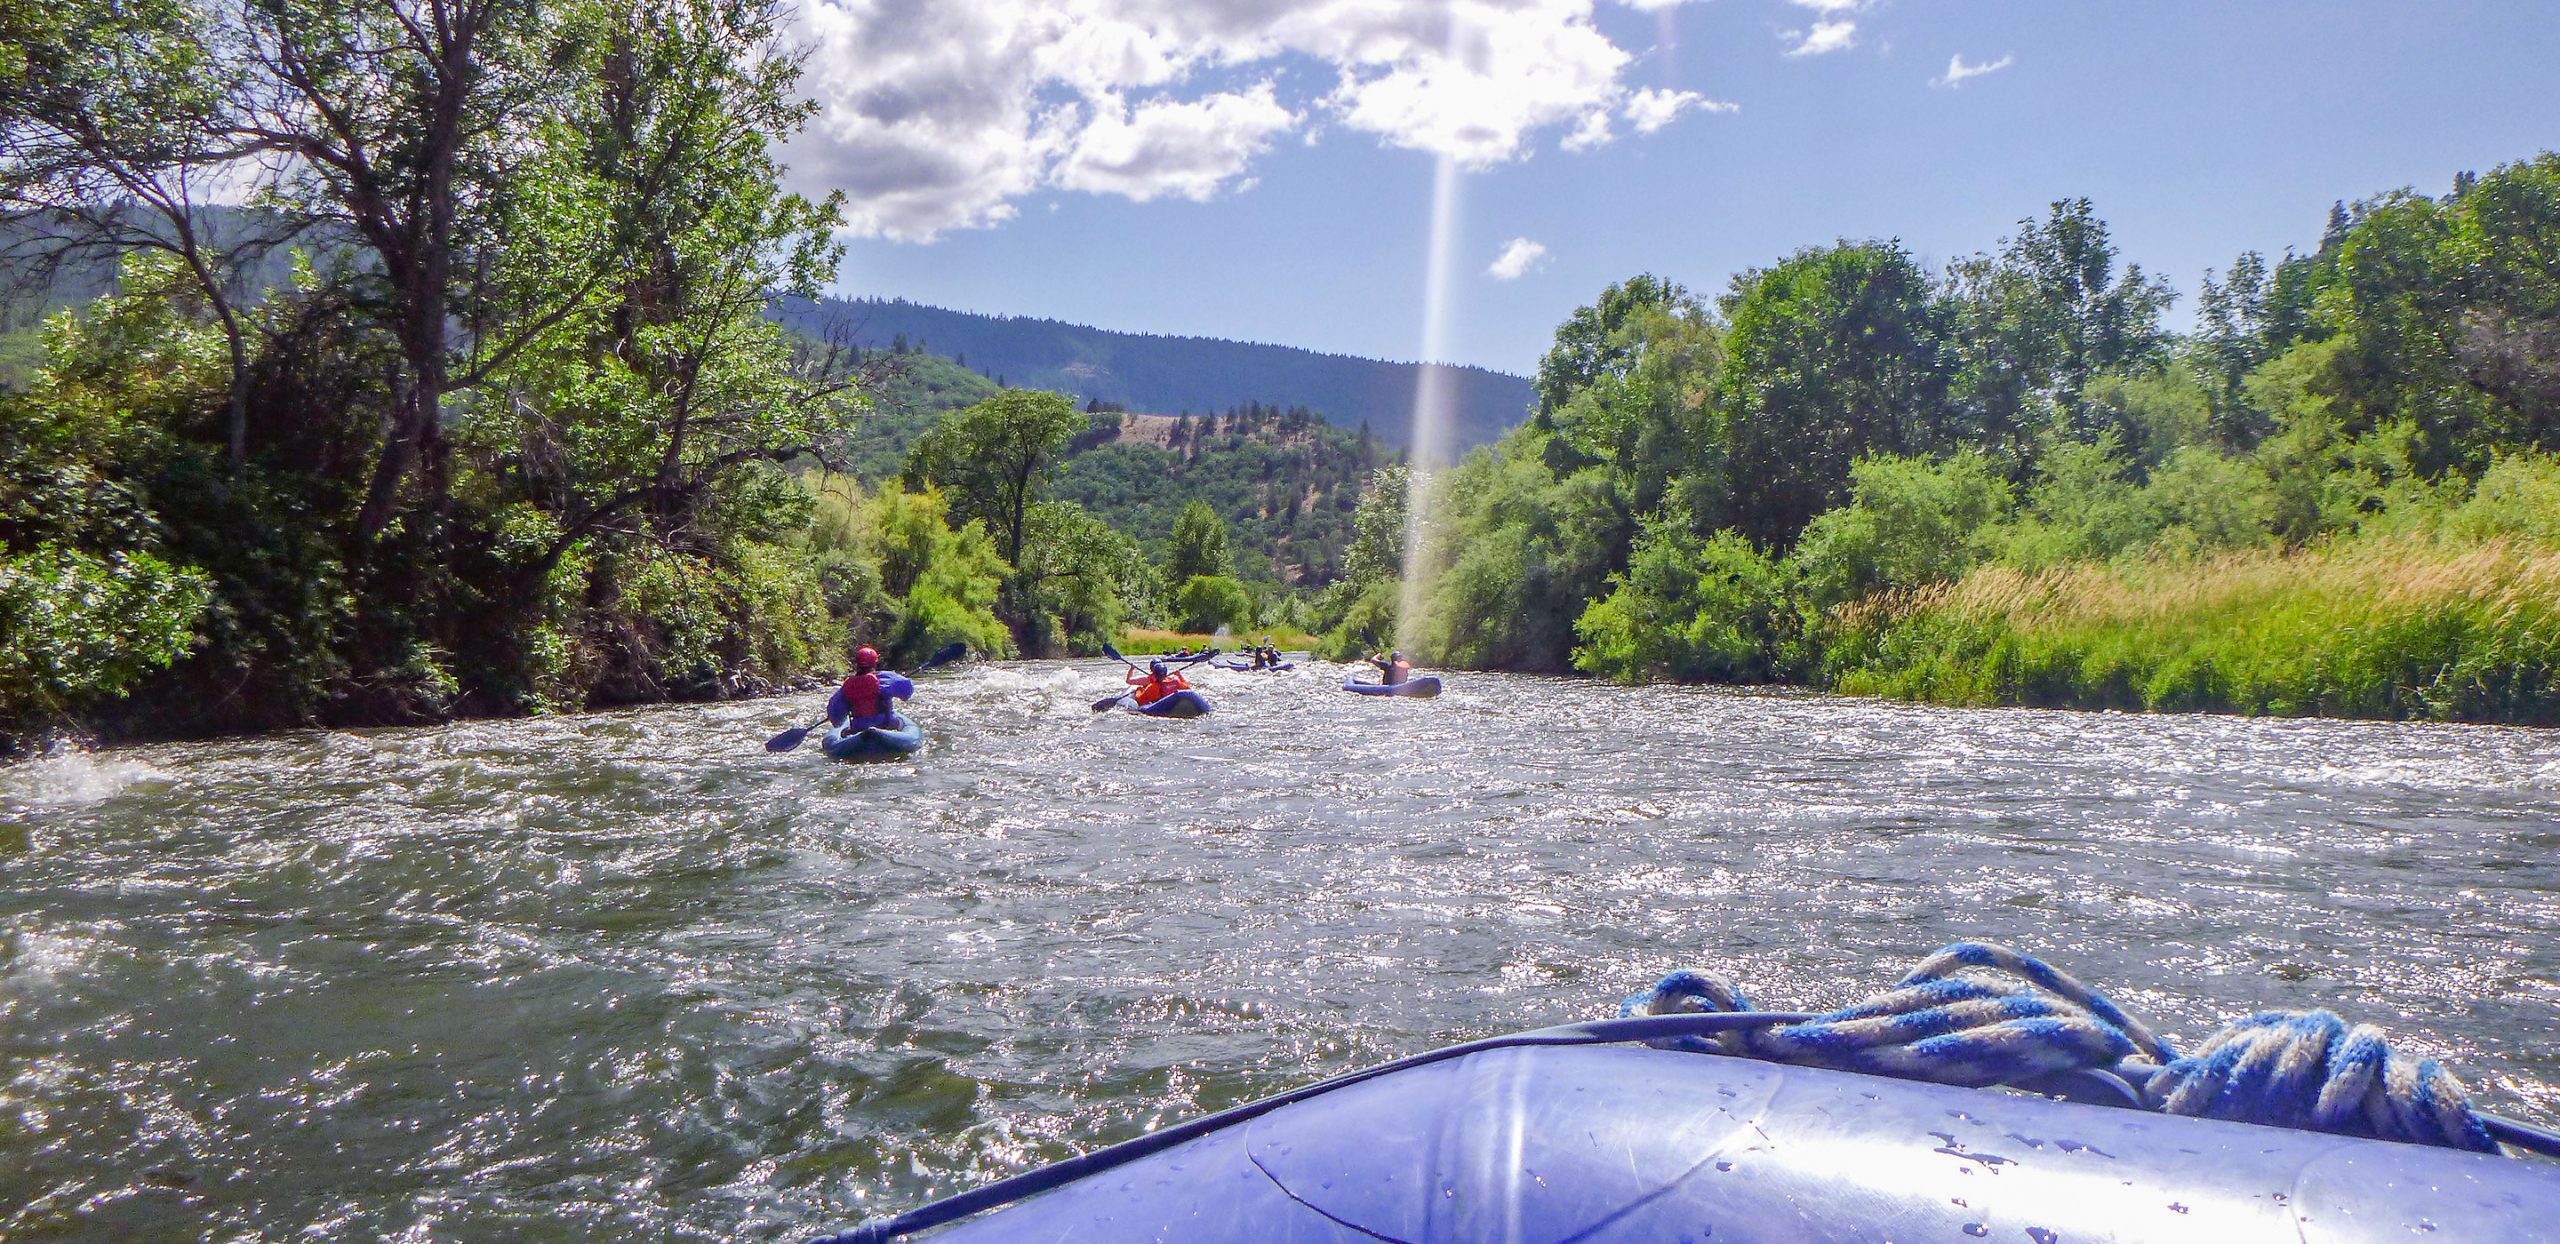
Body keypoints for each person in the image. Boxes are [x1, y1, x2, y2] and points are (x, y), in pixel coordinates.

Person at [828, 646, 914, 730]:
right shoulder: (885, 678)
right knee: (900, 722)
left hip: (858, 728)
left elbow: (835, 718)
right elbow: (907, 691)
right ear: (874, 663)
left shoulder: (847, 686)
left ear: (857, 664)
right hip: (886, 725)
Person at [1126, 657, 1190, 707]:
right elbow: (1187, 687)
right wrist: (1179, 675)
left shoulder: (1149, 682)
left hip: (1155, 701)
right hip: (1164, 702)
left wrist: (1139, 689)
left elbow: (1129, 681)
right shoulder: (1173, 681)